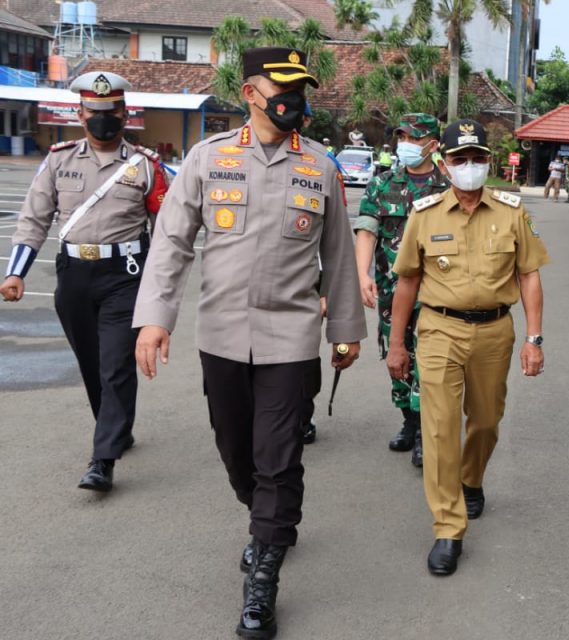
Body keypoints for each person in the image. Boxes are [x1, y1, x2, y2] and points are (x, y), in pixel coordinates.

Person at [132, 47, 365, 639]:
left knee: (279, 458)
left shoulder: (319, 166)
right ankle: (261, 516)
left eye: (302, 87)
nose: (295, 98)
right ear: (252, 92)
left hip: (290, 338)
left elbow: (337, 259)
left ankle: (264, 573)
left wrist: (344, 332)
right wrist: (156, 317)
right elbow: (172, 242)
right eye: (283, 85)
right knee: (238, 452)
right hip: (223, 334)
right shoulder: (209, 160)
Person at [386, 119, 548, 576]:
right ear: (445, 162)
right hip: (439, 330)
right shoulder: (425, 213)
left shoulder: (512, 212)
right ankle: (447, 526)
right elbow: (407, 282)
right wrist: (396, 344)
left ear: (489, 162)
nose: (470, 166)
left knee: (487, 420)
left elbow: (529, 275)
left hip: (495, 331)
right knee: (438, 427)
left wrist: (534, 339)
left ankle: (472, 478)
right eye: (460, 159)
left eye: (478, 158)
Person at [1, 71, 168, 492]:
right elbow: (33, 219)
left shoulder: (145, 167)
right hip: (73, 276)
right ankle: (117, 429)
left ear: (124, 114)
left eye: (110, 112)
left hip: (124, 277)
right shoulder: (58, 160)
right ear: (80, 113)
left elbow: (167, 230)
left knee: (115, 364)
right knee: (92, 364)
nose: (102, 119)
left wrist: (161, 290)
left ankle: (103, 459)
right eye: (94, 112)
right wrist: (15, 272)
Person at [353, 113, 450, 466]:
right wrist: (362, 274)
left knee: (429, 358)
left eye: (413, 137)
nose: (404, 144)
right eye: (401, 137)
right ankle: (408, 422)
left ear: (432, 145)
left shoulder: (447, 186)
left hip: (436, 291)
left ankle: (426, 429)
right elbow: (367, 228)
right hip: (391, 289)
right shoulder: (383, 184)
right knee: (398, 354)